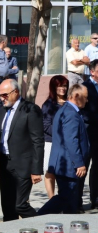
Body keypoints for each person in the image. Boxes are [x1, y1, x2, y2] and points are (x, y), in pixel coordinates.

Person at [0, 79, 43, 221]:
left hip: (23, 165)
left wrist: (36, 170)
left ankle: (42, 227)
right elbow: (1, 140)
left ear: (15, 92)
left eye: (5, 95)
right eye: (0, 95)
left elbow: (37, 141)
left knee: (20, 205)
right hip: (5, 165)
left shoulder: (30, 109)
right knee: (7, 208)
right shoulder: (3, 111)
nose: (2, 98)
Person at [38, 84, 90, 215]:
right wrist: (79, 163)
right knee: (66, 199)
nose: (87, 100)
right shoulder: (71, 114)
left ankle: (67, 228)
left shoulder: (65, 109)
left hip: (63, 164)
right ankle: (39, 217)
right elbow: (71, 140)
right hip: (68, 166)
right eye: (85, 97)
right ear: (76, 96)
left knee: (68, 202)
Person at [41, 75, 68, 198]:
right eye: (59, 86)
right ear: (53, 87)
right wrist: (62, 135)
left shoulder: (69, 103)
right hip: (51, 143)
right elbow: (46, 126)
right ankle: (51, 199)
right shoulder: (48, 105)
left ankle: (64, 199)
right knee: (50, 171)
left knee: (64, 172)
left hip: (68, 143)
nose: (63, 88)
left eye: (65, 85)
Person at [82, 59, 98, 209]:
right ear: (92, 71)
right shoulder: (85, 87)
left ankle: (95, 198)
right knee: (84, 166)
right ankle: (77, 200)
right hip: (88, 132)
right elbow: (81, 110)